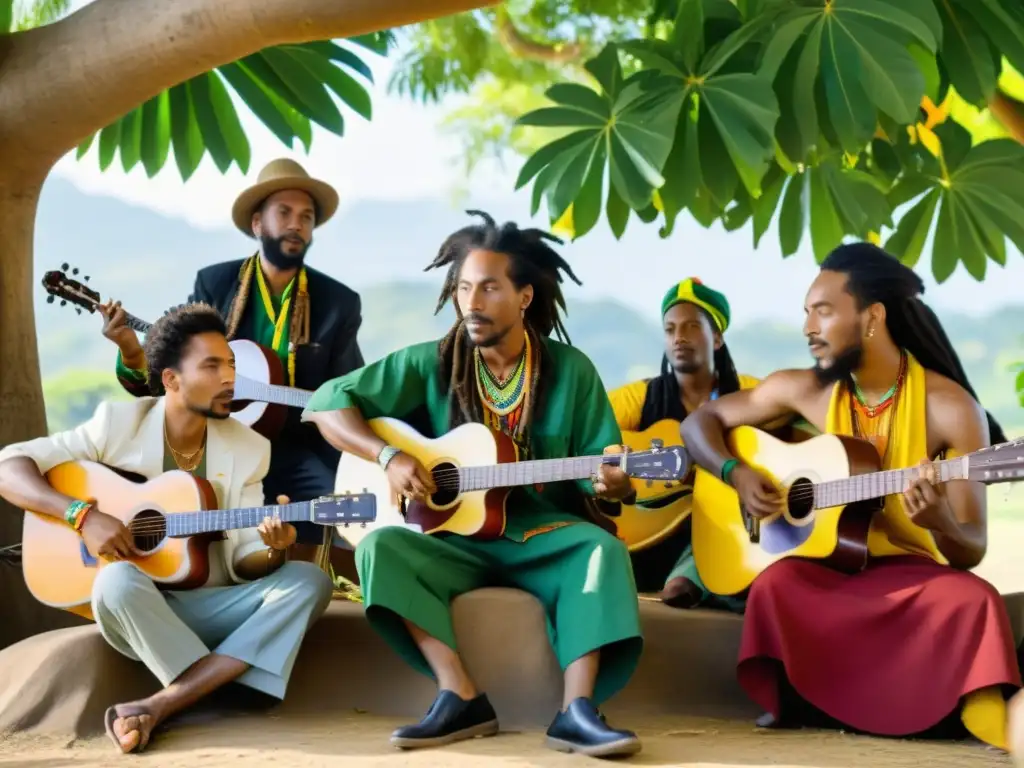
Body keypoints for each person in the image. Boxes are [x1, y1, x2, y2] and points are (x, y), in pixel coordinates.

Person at [302, 211, 644, 758]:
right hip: (451, 538)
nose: (472, 302)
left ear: (525, 296)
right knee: (381, 545)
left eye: (489, 287)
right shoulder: (434, 362)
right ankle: (458, 694)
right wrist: (388, 456)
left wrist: (616, 483)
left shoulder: (570, 370)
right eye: (463, 288)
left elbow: (607, 469)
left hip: (541, 534)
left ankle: (576, 712)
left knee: (601, 550)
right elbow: (328, 403)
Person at [679, 242, 1021, 748]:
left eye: (823, 311)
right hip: (831, 572)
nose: (808, 328)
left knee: (975, 600)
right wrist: (735, 472)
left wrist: (940, 522)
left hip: (909, 577)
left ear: (871, 318)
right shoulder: (806, 390)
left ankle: (979, 715)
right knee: (777, 584)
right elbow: (699, 424)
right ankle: (818, 699)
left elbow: (971, 546)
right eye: (806, 312)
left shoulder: (950, 408)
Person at [0, 304, 334, 754]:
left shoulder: (250, 447)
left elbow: (242, 558)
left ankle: (162, 704)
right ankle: (218, 685)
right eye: (212, 365)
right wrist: (81, 514)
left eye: (231, 365)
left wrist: (274, 550)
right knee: (115, 578)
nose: (229, 379)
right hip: (140, 610)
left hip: (214, 604)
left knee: (307, 579)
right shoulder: (118, 424)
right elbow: (9, 466)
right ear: (172, 379)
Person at [100, 158, 364, 567]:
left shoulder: (337, 302)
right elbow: (171, 375)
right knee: (177, 505)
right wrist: (131, 351)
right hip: (220, 438)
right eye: (284, 213)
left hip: (296, 446)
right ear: (258, 224)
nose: (296, 224)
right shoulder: (216, 284)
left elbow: (345, 388)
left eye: (306, 217)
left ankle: (323, 588)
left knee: (340, 503)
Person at [608, 278, 756, 611]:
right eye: (671, 329)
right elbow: (588, 429)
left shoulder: (749, 394)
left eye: (692, 327)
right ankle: (695, 580)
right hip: (655, 535)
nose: (680, 337)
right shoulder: (641, 397)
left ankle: (692, 579)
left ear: (716, 338)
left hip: (725, 525)